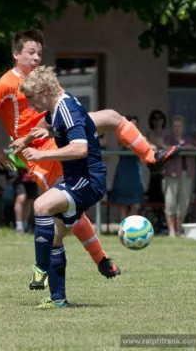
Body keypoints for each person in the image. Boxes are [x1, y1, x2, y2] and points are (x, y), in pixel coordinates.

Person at [0, 24, 180, 282]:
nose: (37, 58)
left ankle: (151, 158)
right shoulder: (4, 84)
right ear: (17, 54)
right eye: (31, 52)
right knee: (73, 212)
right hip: (40, 154)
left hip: (58, 134)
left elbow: (58, 108)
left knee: (113, 117)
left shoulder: (43, 79)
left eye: (39, 53)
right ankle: (100, 260)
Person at [19, 65, 119, 308]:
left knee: (42, 205)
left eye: (31, 98)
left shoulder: (67, 109)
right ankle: (58, 300)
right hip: (77, 180)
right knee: (53, 236)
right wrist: (27, 138)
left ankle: (40, 269)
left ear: (44, 91)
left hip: (89, 180)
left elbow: (80, 148)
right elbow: (49, 123)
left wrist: (41, 155)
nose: (30, 104)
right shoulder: (56, 107)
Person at [110, 115, 144, 222]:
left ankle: (130, 226)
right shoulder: (121, 136)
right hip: (124, 172)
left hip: (135, 172)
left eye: (135, 125)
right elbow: (130, 145)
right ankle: (123, 228)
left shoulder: (140, 138)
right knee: (122, 204)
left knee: (136, 205)